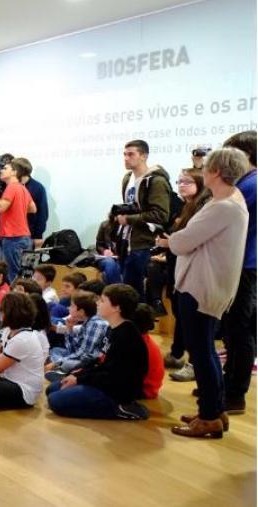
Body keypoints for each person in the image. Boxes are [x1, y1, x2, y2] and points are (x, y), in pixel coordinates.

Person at [162, 148, 249, 438]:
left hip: (202, 285)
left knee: (201, 352)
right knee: (205, 350)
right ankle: (214, 409)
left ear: (215, 171)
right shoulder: (229, 200)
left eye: (206, 167)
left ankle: (210, 416)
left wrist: (173, 239)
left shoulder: (223, 206)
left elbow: (181, 242)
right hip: (207, 284)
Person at [46, 284, 150, 420]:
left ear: (117, 308)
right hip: (103, 381)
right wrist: (78, 375)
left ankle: (122, 409)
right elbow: (100, 361)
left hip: (115, 392)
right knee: (52, 389)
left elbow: (113, 376)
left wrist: (79, 380)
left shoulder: (126, 336)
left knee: (55, 401)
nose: (97, 303)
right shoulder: (112, 328)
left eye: (102, 300)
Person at [150, 168, 211, 381]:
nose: (181, 185)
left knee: (194, 321)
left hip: (193, 269)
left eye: (187, 181)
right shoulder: (187, 207)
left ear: (200, 184)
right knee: (180, 313)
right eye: (179, 181)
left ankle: (193, 363)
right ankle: (177, 353)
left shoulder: (203, 208)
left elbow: (191, 240)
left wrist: (170, 242)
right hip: (177, 265)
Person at [217, 131, 256, 415]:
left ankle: (234, 393)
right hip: (241, 263)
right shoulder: (246, 184)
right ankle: (228, 385)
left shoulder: (249, 185)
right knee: (234, 329)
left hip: (243, 264)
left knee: (239, 330)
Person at [116, 140, 171, 299]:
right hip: (126, 241)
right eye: (124, 154)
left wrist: (129, 219)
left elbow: (160, 215)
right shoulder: (127, 178)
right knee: (126, 292)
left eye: (131, 154)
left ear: (144, 156)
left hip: (144, 243)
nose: (126, 158)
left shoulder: (156, 181)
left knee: (136, 295)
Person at [0, 160, 36, 283]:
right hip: (25, 237)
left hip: (13, 238)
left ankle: (15, 296)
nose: (1, 171)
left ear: (14, 172)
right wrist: (17, 209)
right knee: (24, 275)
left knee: (13, 275)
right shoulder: (23, 188)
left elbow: (1, 208)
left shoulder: (11, 187)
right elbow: (33, 208)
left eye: (5, 168)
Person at [13, 158, 49, 248]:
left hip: (29, 236)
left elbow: (43, 213)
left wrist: (38, 235)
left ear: (19, 171)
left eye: (13, 169)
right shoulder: (11, 186)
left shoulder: (38, 188)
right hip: (12, 235)